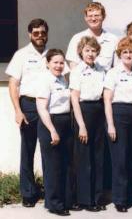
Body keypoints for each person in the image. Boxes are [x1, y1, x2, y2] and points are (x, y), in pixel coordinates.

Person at [6, 18, 52, 207]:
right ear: (29, 34)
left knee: (50, 150)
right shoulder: (21, 55)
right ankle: (28, 193)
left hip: (49, 107)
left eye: (42, 32)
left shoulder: (52, 54)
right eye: (36, 33)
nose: (40, 36)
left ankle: (51, 192)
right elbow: (13, 84)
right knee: (28, 150)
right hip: (29, 106)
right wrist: (18, 110)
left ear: (47, 33)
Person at [103, 37, 132, 212]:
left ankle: (131, 195)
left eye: (131, 52)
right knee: (120, 159)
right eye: (125, 52)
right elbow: (107, 100)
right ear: (120, 54)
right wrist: (111, 125)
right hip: (118, 114)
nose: (128, 54)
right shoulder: (113, 73)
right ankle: (120, 199)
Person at [69, 36, 106, 211]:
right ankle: (84, 199)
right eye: (87, 50)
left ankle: (97, 198)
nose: (90, 54)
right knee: (83, 157)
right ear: (81, 52)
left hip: (99, 112)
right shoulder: (77, 71)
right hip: (83, 112)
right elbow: (74, 99)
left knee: (98, 157)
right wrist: (81, 125)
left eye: (93, 50)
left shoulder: (102, 70)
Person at [36, 49, 72, 216]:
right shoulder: (45, 81)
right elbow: (42, 109)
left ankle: (62, 200)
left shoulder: (63, 79)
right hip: (50, 123)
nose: (59, 65)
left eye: (61, 62)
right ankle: (54, 204)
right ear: (48, 63)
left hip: (65, 122)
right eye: (55, 62)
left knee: (64, 164)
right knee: (53, 166)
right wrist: (52, 131)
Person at [66, 2, 118, 71]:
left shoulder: (113, 40)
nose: (93, 19)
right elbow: (73, 68)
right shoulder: (77, 39)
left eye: (96, 15)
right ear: (85, 18)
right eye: (90, 16)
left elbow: (117, 68)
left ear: (103, 17)